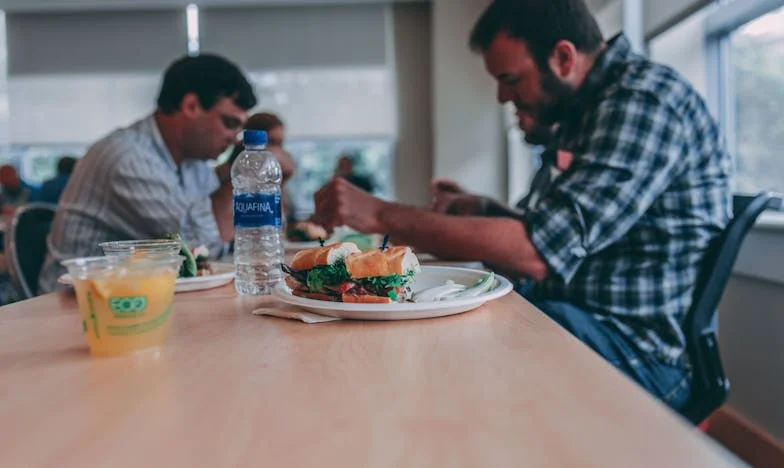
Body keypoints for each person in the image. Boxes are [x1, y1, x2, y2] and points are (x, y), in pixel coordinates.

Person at [312, 0, 732, 411]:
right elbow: (553, 229)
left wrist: (382, 214)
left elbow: (536, 252)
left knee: (444, 354)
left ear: (564, 57)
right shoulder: (583, 112)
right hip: (574, 313)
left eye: (510, 79)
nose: (500, 96)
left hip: (634, 348)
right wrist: (486, 209)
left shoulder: (643, 103)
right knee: (436, 328)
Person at [38, 54, 257, 293]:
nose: (235, 137)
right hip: (75, 307)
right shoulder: (126, 157)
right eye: (229, 122)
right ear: (191, 106)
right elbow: (198, 246)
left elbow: (218, 246)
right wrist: (248, 173)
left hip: (132, 298)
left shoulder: (192, 163)